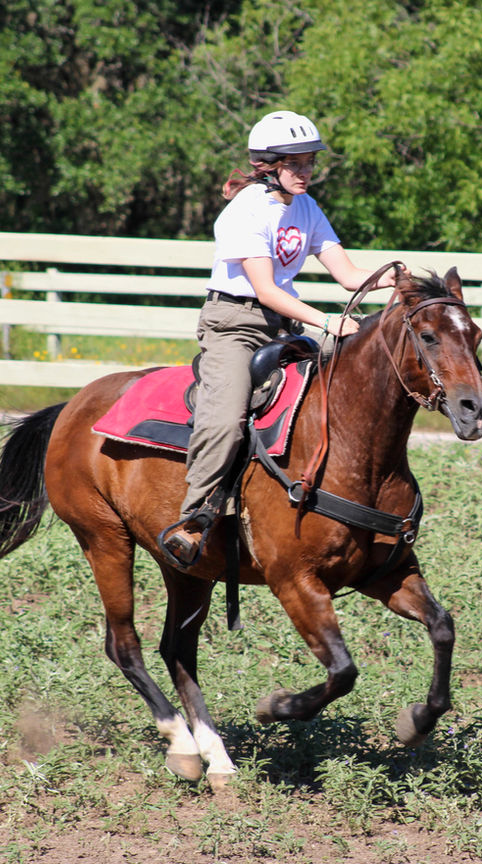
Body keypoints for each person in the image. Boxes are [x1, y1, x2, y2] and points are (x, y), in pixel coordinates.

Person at [162, 110, 406, 566]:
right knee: (225, 417)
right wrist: (326, 323)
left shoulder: (307, 208)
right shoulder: (246, 210)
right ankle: (194, 521)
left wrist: (396, 280)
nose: (306, 172)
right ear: (269, 165)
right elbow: (266, 289)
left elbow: (350, 276)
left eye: (310, 162)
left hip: (283, 326)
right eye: (296, 164)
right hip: (233, 324)